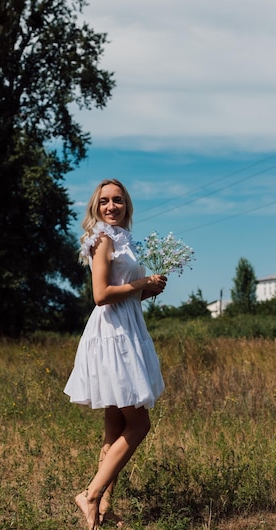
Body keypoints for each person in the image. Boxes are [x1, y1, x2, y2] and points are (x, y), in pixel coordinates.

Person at [64, 179, 167, 529]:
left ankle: (103, 508)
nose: (112, 206)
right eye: (105, 201)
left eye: (118, 200)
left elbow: (126, 295)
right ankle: (90, 495)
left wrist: (149, 290)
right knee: (139, 423)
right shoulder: (102, 239)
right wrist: (140, 283)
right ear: (96, 206)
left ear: (127, 205)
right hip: (113, 337)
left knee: (115, 426)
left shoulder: (123, 239)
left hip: (127, 328)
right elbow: (101, 294)